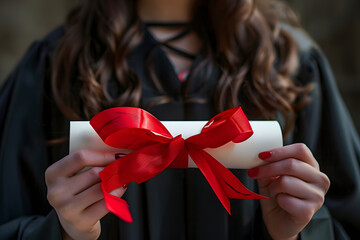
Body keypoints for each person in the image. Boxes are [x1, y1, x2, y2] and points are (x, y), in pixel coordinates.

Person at [0, 0, 358, 239]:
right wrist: (62, 231)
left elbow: (348, 219)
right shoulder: (54, 63)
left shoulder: (291, 63)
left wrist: (298, 232)